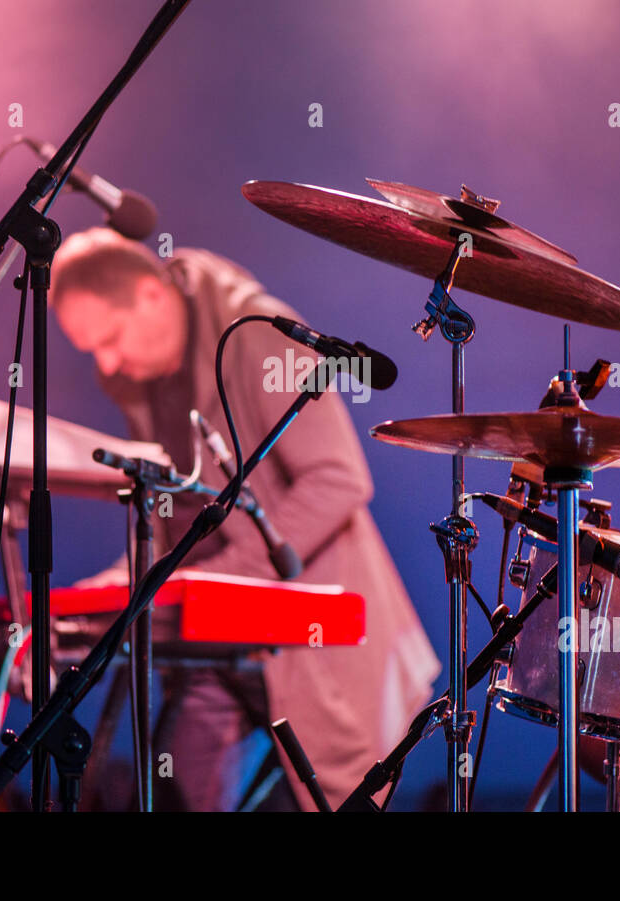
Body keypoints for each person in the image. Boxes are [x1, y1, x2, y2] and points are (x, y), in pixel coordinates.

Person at [49, 227, 440, 811]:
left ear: (152, 296)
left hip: (309, 639)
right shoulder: (145, 381)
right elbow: (178, 515)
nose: (107, 362)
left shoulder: (258, 335)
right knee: (181, 793)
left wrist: (213, 578)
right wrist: (126, 578)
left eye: (108, 338)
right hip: (217, 633)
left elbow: (339, 481)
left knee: (339, 797)